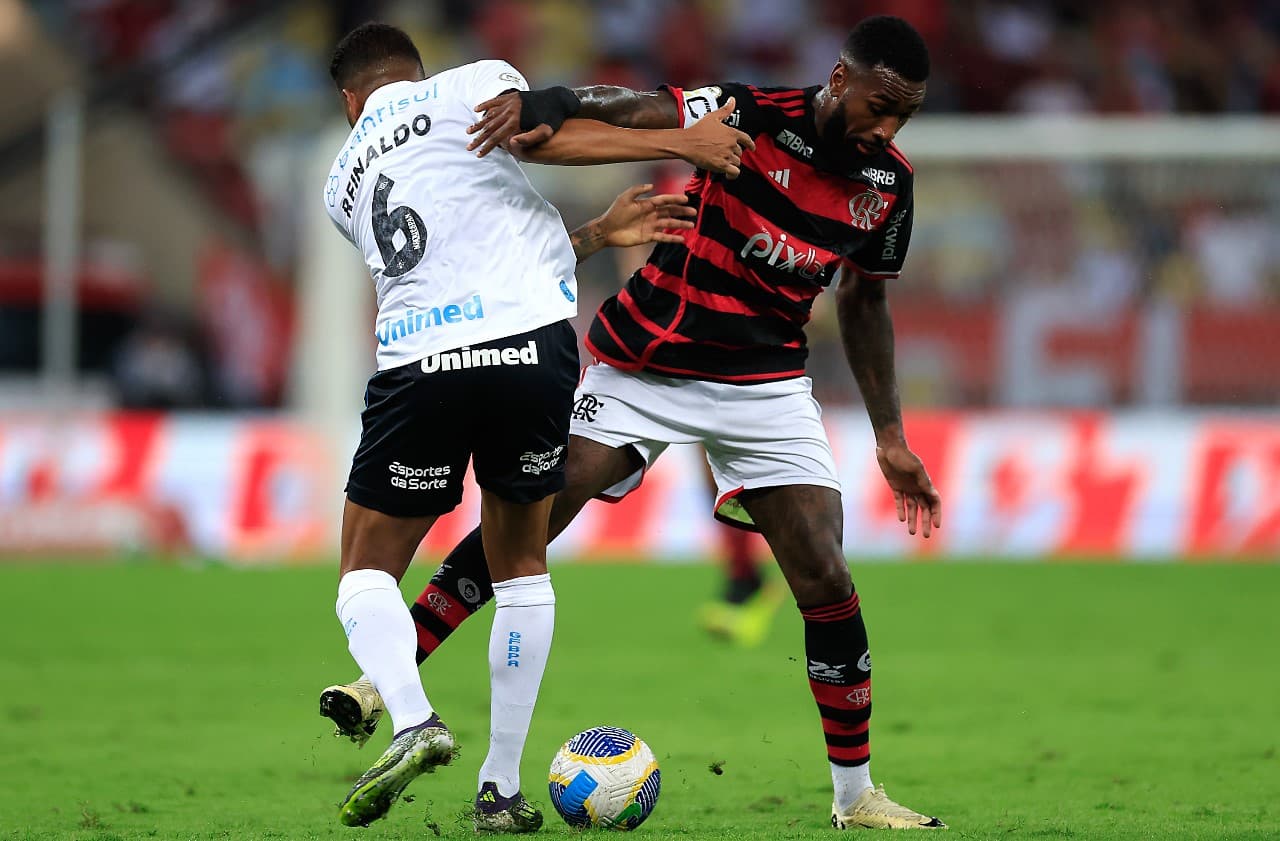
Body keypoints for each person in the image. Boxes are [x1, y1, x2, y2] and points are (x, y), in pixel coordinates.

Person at [323, 15, 945, 831]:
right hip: (646, 359)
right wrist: (553, 97)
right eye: (879, 104)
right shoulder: (752, 113)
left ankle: (855, 794)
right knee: (535, 515)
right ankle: (390, 675)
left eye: (904, 114)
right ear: (840, 80)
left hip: (765, 384)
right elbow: (642, 107)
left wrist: (890, 436)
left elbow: (864, 299)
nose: (887, 126)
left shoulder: (888, 187)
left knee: (825, 575)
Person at [320, 22, 752, 831]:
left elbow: (449, 255)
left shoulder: (340, 178)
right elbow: (545, 147)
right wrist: (682, 140)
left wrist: (597, 232)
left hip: (420, 361)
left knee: (365, 570)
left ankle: (414, 719)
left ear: (350, 102)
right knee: (521, 566)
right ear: (417, 70)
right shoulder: (471, 82)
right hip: (533, 347)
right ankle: (501, 789)